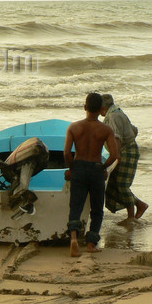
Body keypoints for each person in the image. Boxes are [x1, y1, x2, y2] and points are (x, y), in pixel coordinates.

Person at [64, 93, 120, 257]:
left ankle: (74, 238)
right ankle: (90, 244)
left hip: (79, 167)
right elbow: (114, 155)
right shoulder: (105, 129)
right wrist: (102, 167)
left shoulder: (74, 127)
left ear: (85, 107)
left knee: (76, 206)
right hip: (96, 169)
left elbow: (67, 152)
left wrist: (72, 168)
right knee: (96, 209)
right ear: (101, 109)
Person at [100, 93, 149, 220]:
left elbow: (116, 137)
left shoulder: (112, 117)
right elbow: (134, 130)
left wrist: (117, 155)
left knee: (121, 185)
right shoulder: (118, 112)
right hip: (129, 149)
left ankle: (135, 212)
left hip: (125, 152)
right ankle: (136, 209)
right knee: (115, 184)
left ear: (102, 107)